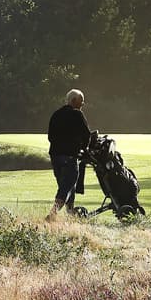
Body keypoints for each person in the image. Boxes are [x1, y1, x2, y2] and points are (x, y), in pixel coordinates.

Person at [46, 88, 91, 220]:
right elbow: (86, 135)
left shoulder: (56, 114)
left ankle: (71, 215)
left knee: (66, 185)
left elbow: (50, 137)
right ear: (74, 101)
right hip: (70, 156)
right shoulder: (77, 114)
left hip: (55, 157)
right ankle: (52, 215)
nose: (82, 105)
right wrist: (84, 148)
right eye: (81, 102)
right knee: (67, 185)